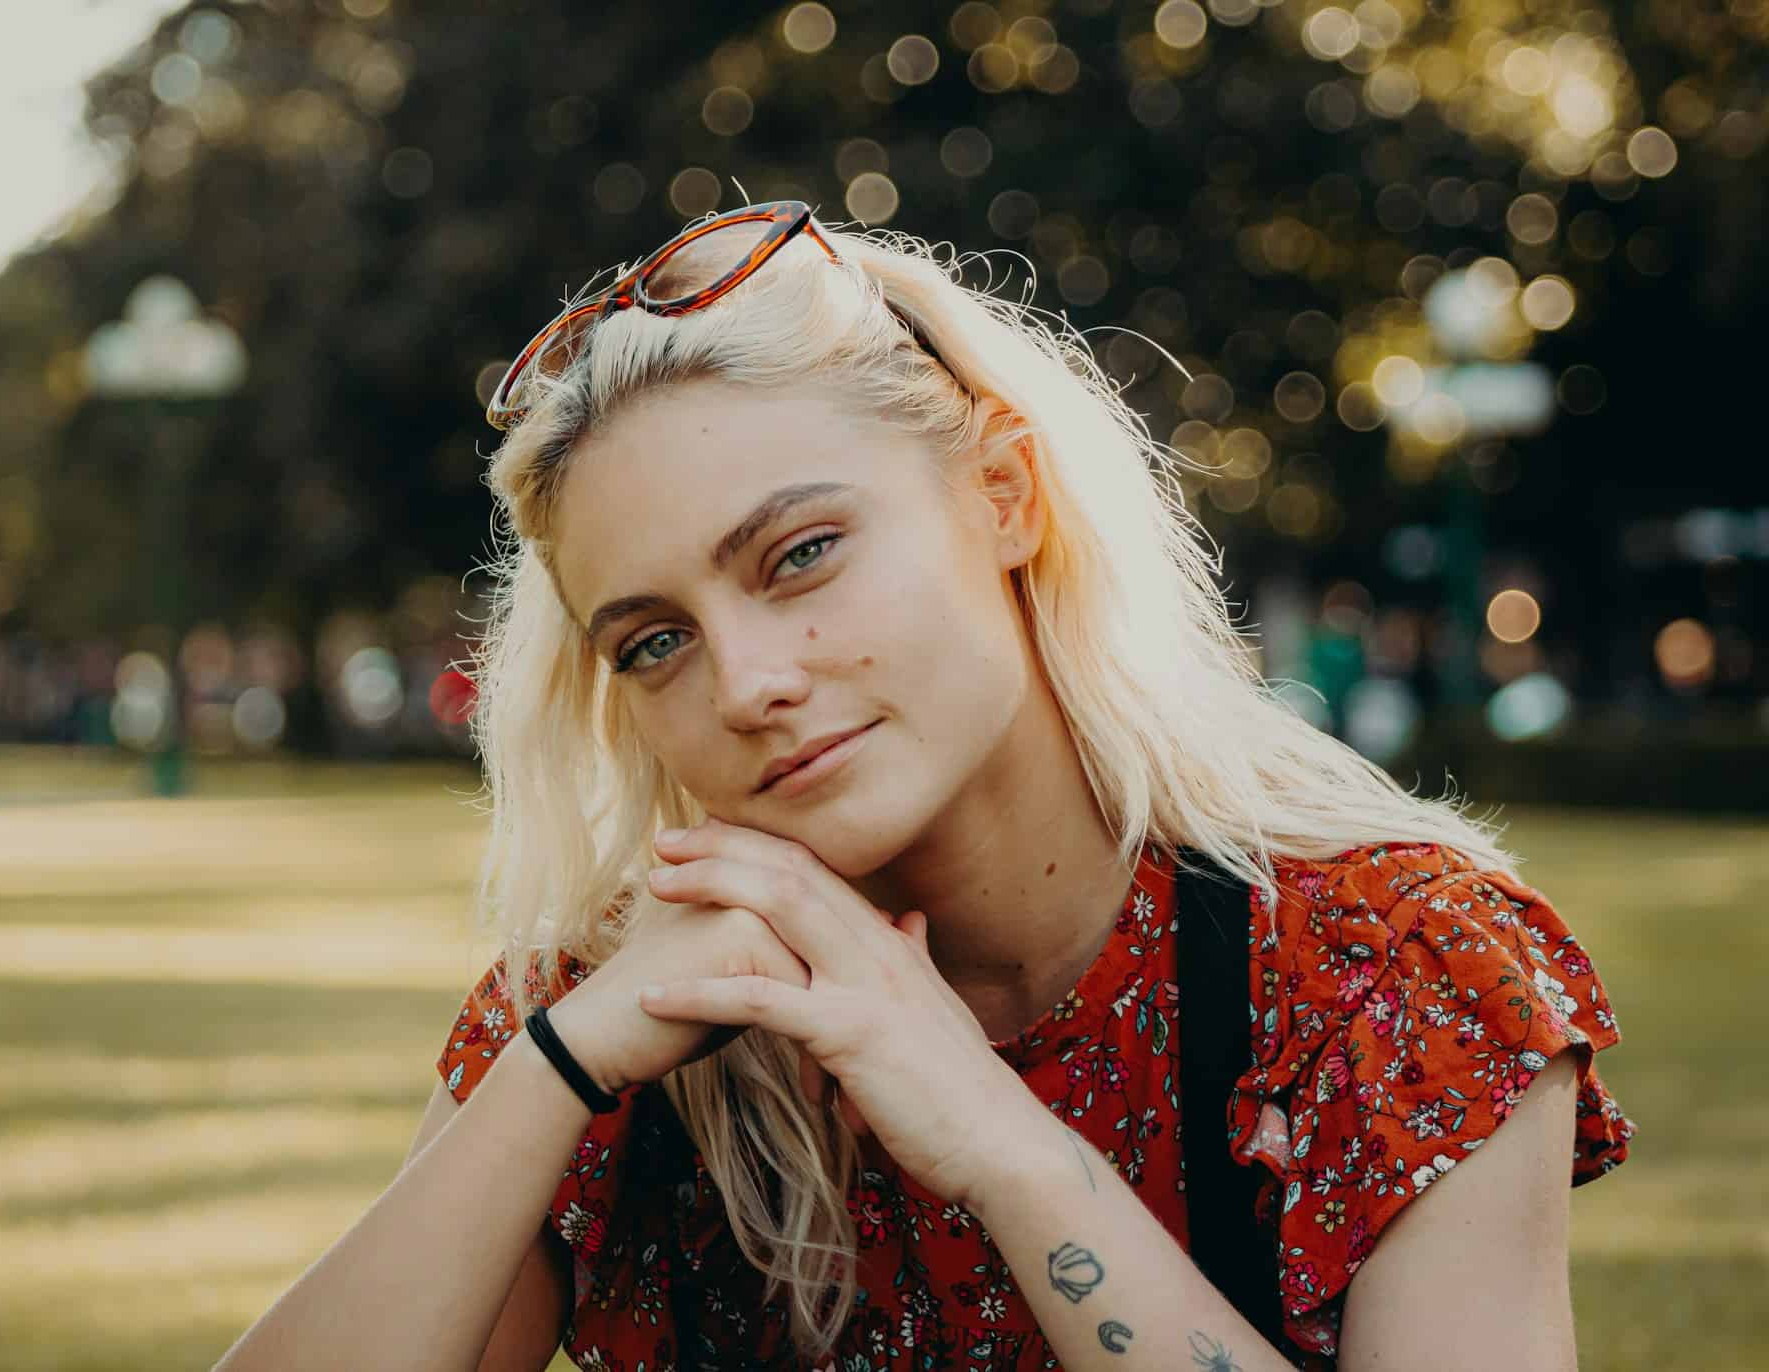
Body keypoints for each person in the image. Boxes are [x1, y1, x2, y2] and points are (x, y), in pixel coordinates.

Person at [213, 203, 1634, 1372]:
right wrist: (556, 1070)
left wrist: (1009, 1151)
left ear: (1005, 493)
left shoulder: (1385, 969)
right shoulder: (624, 1016)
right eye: (655, 642)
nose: (746, 682)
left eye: (801, 555)